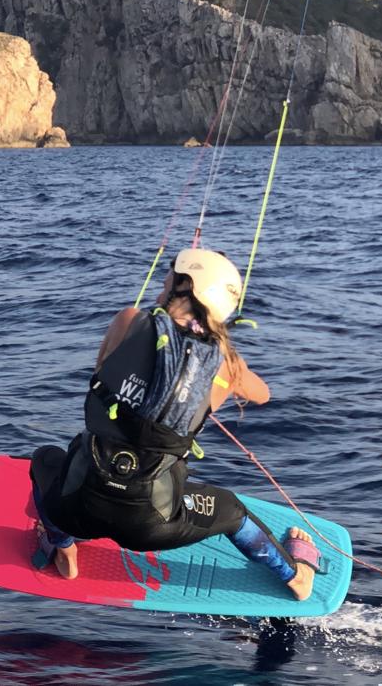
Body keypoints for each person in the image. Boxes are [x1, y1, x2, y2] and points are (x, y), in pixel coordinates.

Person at [28, 248, 319, 600]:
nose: (163, 280)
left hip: (76, 508)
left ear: (186, 286)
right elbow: (263, 395)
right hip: (150, 527)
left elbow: (102, 369)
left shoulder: (128, 319)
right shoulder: (225, 363)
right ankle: (297, 579)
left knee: (45, 459)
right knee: (233, 511)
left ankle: (64, 550)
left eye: (170, 276)